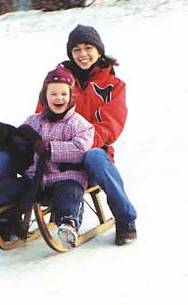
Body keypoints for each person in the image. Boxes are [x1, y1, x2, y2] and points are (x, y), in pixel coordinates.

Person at [0, 65, 94, 249]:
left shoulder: (79, 124)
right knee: (7, 190)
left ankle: (68, 225)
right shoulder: (34, 120)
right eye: (53, 94)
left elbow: (81, 149)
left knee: (69, 195)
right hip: (35, 179)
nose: (58, 98)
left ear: (71, 97)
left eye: (63, 94)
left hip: (66, 177)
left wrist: (50, 148)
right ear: (44, 96)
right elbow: (21, 138)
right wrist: (11, 139)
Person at [29, 24, 137, 245]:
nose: (83, 54)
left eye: (88, 47)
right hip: (57, 158)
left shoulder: (113, 85)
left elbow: (111, 126)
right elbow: (41, 115)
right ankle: (10, 218)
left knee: (95, 156)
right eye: (76, 49)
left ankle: (125, 219)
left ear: (99, 51)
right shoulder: (59, 81)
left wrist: (77, 144)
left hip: (91, 156)